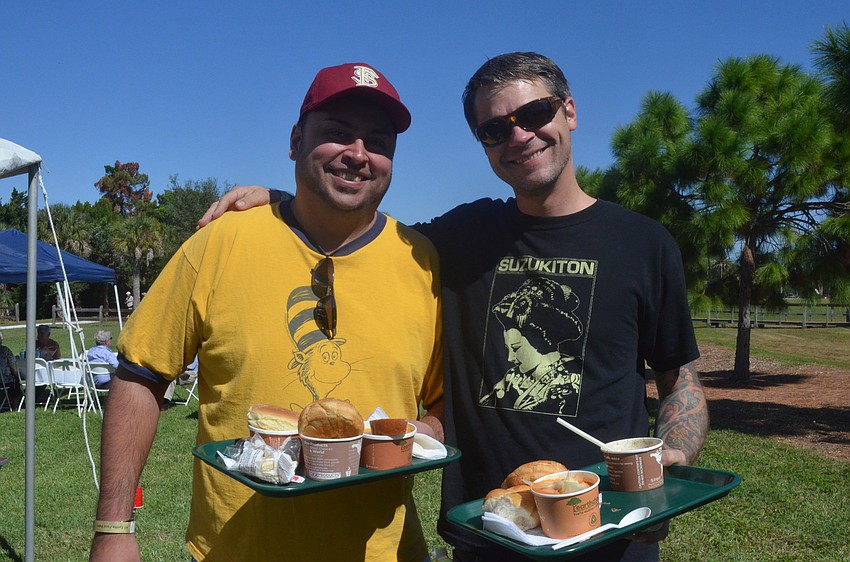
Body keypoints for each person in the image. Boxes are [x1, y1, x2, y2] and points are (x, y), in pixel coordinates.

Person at [201, 52, 709, 562]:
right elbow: (364, 230)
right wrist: (284, 200)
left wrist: (673, 456)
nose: (519, 136)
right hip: (486, 528)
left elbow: (679, 379)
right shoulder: (461, 236)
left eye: (535, 114)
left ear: (569, 112)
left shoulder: (644, 245)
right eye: (495, 129)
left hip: (606, 528)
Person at [90, 62, 444, 562]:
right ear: (296, 141)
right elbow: (138, 376)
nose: (358, 154)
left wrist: (421, 435)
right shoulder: (221, 242)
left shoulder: (422, 260)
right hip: (239, 548)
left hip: (386, 550)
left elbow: (442, 403)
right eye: (338, 133)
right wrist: (112, 527)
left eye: (378, 141)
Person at [0, 331, 22, 406]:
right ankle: (15, 407)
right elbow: (13, 366)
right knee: (16, 383)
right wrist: (17, 375)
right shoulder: (5, 350)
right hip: (4, 380)